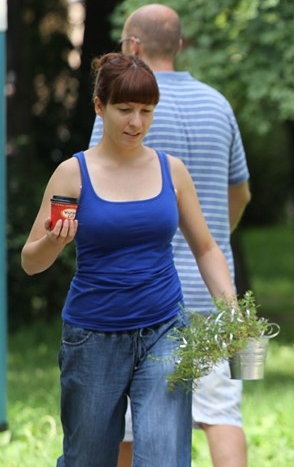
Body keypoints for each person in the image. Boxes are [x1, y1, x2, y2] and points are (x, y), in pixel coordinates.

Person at [22, 53, 238, 467]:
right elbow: (31, 262)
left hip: (165, 330)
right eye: (124, 109)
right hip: (93, 336)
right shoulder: (73, 174)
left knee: (163, 458)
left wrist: (232, 312)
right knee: (88, 459)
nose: (135, 122)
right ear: (100, 106)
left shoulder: (171, 171)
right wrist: (53, 240)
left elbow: (206, 248)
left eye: (145, 111)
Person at [88, 4, 252, 467]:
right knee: (220, 414)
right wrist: (218, 229)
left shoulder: (121, 103)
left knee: (127, 425)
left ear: (134, 46)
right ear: (178, 46)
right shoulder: (218, 104)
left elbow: (92, 189)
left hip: (141, 298)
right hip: (210, 293)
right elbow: (240, 191)